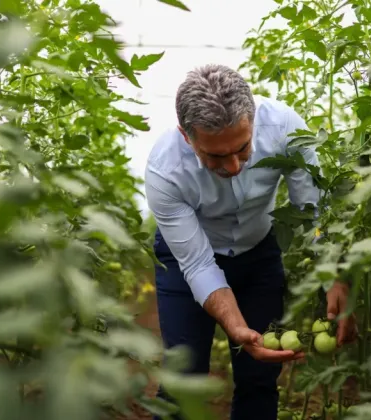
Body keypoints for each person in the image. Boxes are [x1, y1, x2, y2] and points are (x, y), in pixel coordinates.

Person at [144, 64, 356, 420]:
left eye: (242, 148)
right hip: (186, 264)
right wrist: (235, 326)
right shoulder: (165, 171)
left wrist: (334, 273)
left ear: (253, 120)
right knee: (183, 377)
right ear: (187, 136)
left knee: (260, 379)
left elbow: (313, 211)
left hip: (258, 253)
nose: (233, 166)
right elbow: (197, 265)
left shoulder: (285, 128)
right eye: (214, 156)